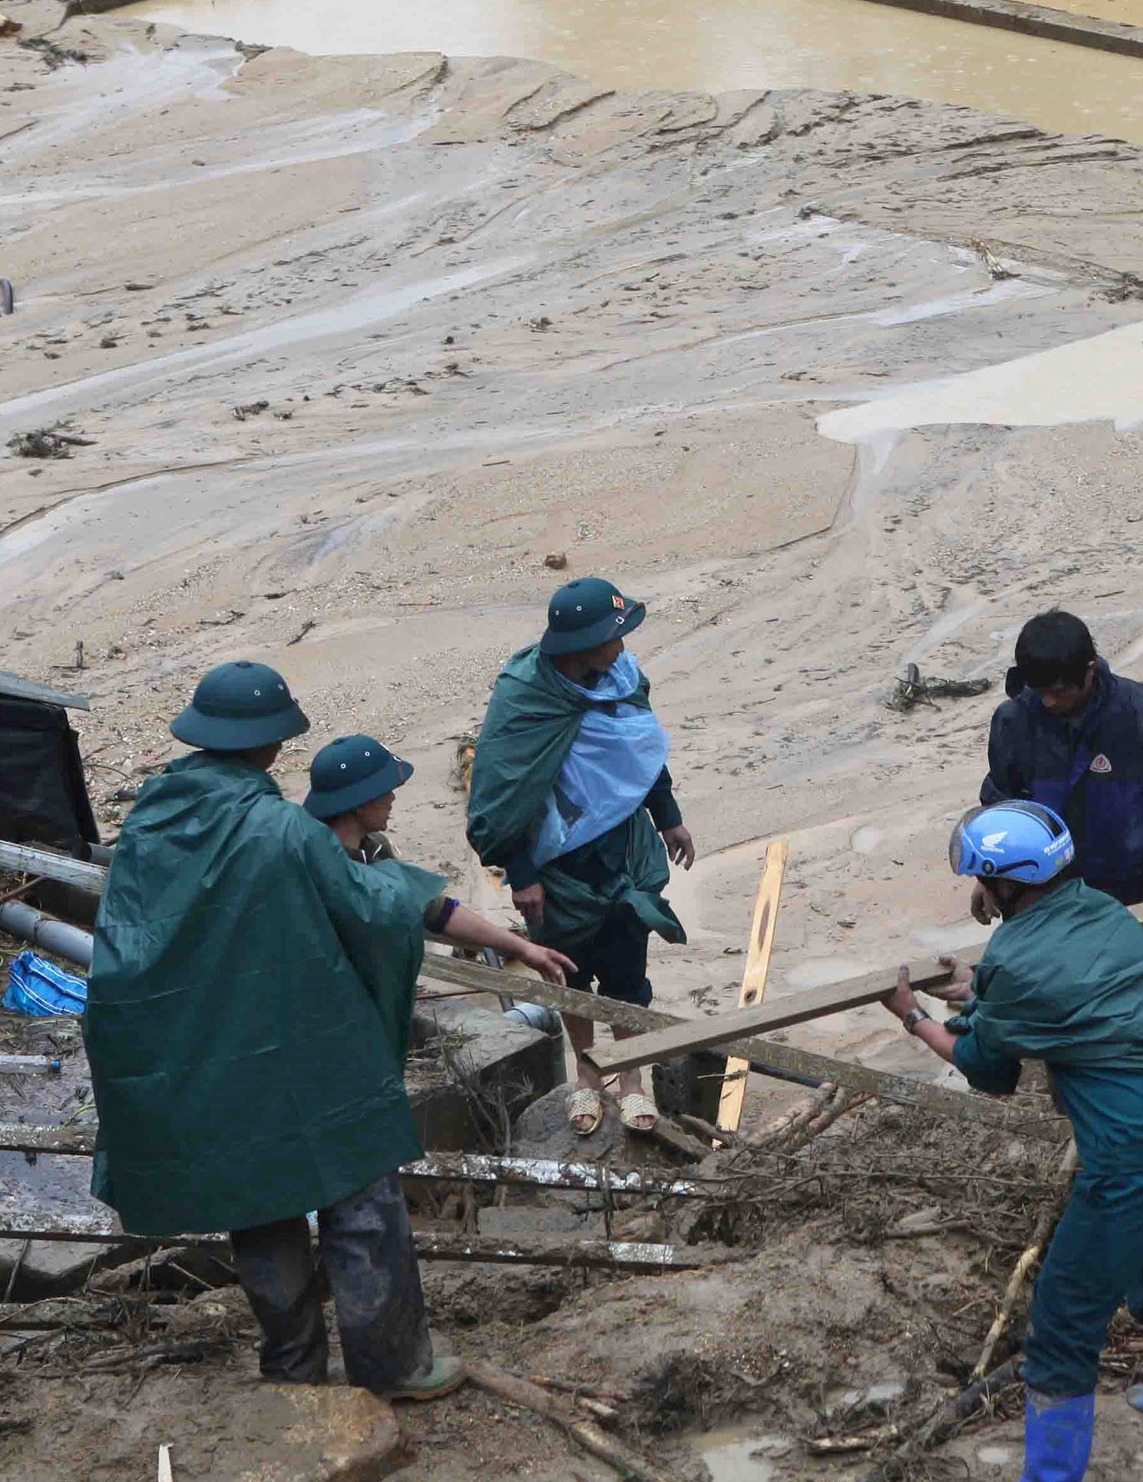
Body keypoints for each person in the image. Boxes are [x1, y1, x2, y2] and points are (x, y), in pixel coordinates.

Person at [88, 662, 572, 1401]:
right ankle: (394, 1366)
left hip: (204, 1057)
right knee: (360, 1197)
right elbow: (375, 914)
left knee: (259, 1206)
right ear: (272, 745)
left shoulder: (148, 826)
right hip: (301, 1051)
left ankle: (293, 1368)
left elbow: (133, 941)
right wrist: (483, 930)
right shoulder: (283, 830)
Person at [874, 802, 1143, 1482]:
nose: (978, 891)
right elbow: (1064, 987)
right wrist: (978, 988)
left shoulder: (1017, 960)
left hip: (1128, 1157)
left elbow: (989, 1067)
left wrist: (911, 1017)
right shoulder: (1099, 909)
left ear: (1005, 883)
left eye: (981, 879)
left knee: (1063, 1314)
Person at [466, 577, 697, 1137]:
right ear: (579, 645)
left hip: (621, 851)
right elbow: (501, 790)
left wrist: (668, 817)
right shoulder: (525, 699)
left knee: (628, 976)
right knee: (566, 977)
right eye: (612, 638)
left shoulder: (620, 678)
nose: (621, 648)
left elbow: (638, 750)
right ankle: (589, 1078)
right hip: (554, 868)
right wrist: (519, 872)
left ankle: (634, 1082)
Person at [978, 610, 1143, 936]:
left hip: (1134, 900)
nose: (1048, 702)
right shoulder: (1013, 721)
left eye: (1059, 691)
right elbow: (1001, 804)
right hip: (1039, 902)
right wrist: (992, 879)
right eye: (1039, 690)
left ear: (1088, 671)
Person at [306, 733, 410, 862]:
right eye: (384, 792)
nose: (392, 798)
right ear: (359, 804)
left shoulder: (377, 847)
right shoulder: (325, 872)